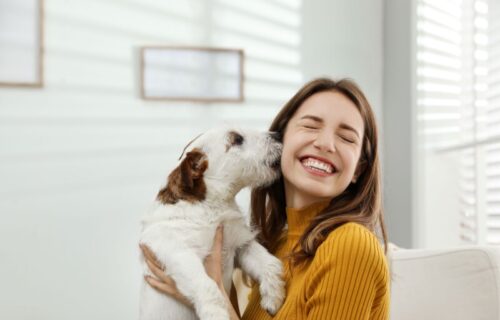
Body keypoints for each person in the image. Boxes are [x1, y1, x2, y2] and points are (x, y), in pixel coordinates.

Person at [141, 77, 390, 319]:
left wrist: (212, 293)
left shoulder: (352, 245)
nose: (325, 144)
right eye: (311, 126)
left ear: (358, 169)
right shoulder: (277, 246)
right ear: (281, 138)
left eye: (346, 138)